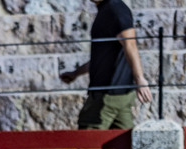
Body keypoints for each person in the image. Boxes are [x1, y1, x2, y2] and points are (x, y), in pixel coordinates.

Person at [60, 0, 152, 130]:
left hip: (105, 98)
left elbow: (130, 43)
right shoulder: (107, 10)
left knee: (87, 145)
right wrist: (76, 73)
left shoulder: (115, 9)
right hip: (119, 97)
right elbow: (103, 57)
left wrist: (140, 79)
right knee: (124, 146)